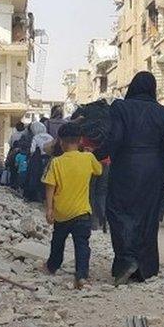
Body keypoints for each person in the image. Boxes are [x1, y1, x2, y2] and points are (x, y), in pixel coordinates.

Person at [104, 72, 164, 285]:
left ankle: (126, 260)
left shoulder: (120, 108)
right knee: (147, 217)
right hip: (153, 170)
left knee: (119, 212)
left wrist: (96, 156)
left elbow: (115, 138)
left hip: (126, 167)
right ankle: (144, 268)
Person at [43, 123, 102, 290]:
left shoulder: (56, 162)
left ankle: (52, 266)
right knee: (82, 244)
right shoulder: (88, 158)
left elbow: (50, 187)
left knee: (58, 242)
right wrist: (90, 154)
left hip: (62, 213)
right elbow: (98, 171)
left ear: (61, 142)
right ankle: (82, 277)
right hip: (82, 211)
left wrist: (49, 209)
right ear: (81, 140)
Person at [23, 121, 53, 202]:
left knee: (35, 177)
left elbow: (32, 150)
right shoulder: (50, 137)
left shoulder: (36, 137)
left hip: (38, 160)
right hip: (49, 160)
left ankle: (34, 197)